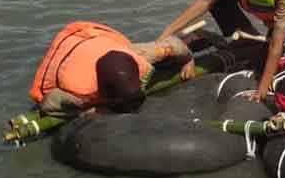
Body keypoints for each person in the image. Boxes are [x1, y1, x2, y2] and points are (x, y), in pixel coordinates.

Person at [29, 22, 194, 116]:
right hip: (69, 51)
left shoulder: (138, 56)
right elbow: (47, 104)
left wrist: (188, 59)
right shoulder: (77, 91)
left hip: (99, 42)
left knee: (166, 51)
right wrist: (84, 112)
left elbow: (174, 46)